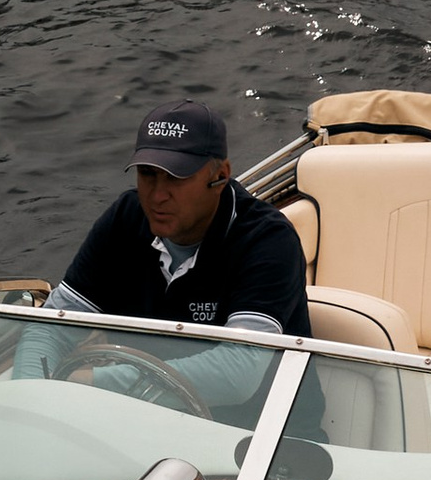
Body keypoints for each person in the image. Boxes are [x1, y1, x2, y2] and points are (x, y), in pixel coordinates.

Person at [52, 99, 311, 338]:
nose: (157, 195)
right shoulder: (125, 217)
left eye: (176, 177)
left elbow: (242, 367)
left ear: (220, 175)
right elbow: (53, 324)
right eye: (147, 174)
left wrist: (97, 380)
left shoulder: (269, 240)